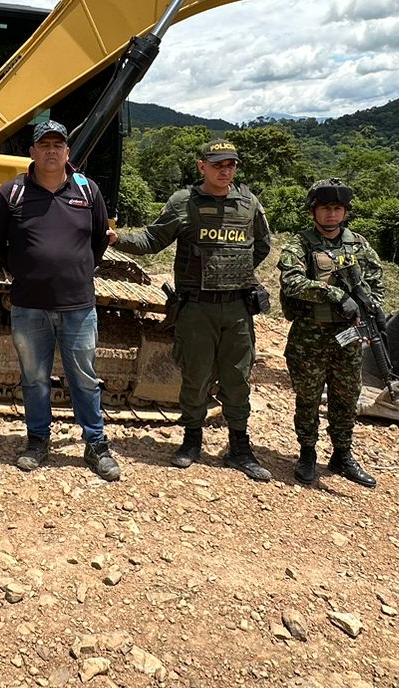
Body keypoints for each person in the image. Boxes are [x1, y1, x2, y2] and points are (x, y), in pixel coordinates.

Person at [114, 140, 273, 481]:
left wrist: (238, 273)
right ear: (202, 166)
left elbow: (262, 245)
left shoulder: (248, 203)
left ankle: (240, 448)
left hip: (236, 308)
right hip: (197, 308)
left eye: (230, 164)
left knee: (237, 378)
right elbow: (151, 240)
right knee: (195, 376)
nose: (225, 170)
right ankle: (191, 441)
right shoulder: (183, 203)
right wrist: (115, 238)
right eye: (218, 164)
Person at [0, 120, 120, 481]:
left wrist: (76, 272)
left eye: (57, 145)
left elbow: (99, 240)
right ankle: (37, 440)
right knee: (34, 378)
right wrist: (27, 271)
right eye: (43, 144)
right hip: (29, 306)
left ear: (67, 152)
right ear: (31, 151)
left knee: (85, 379)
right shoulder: (11, 192)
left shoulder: (87, 190)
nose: (51, 150)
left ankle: (96, 445)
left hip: (78, 306)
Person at [278, 178, 383, 488]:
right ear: (313, 211)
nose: (331, 214)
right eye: (325, 208)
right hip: (310, 336)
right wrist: (335, 295)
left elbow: (376, 282)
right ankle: (307, 453)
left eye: (337, 208)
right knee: (308, 397)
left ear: (345, 211)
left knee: (346, 396)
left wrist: (370, 308)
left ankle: (342, 454)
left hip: (348, 337)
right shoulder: (300, 244)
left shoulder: (359, 244)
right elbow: (292, 282)